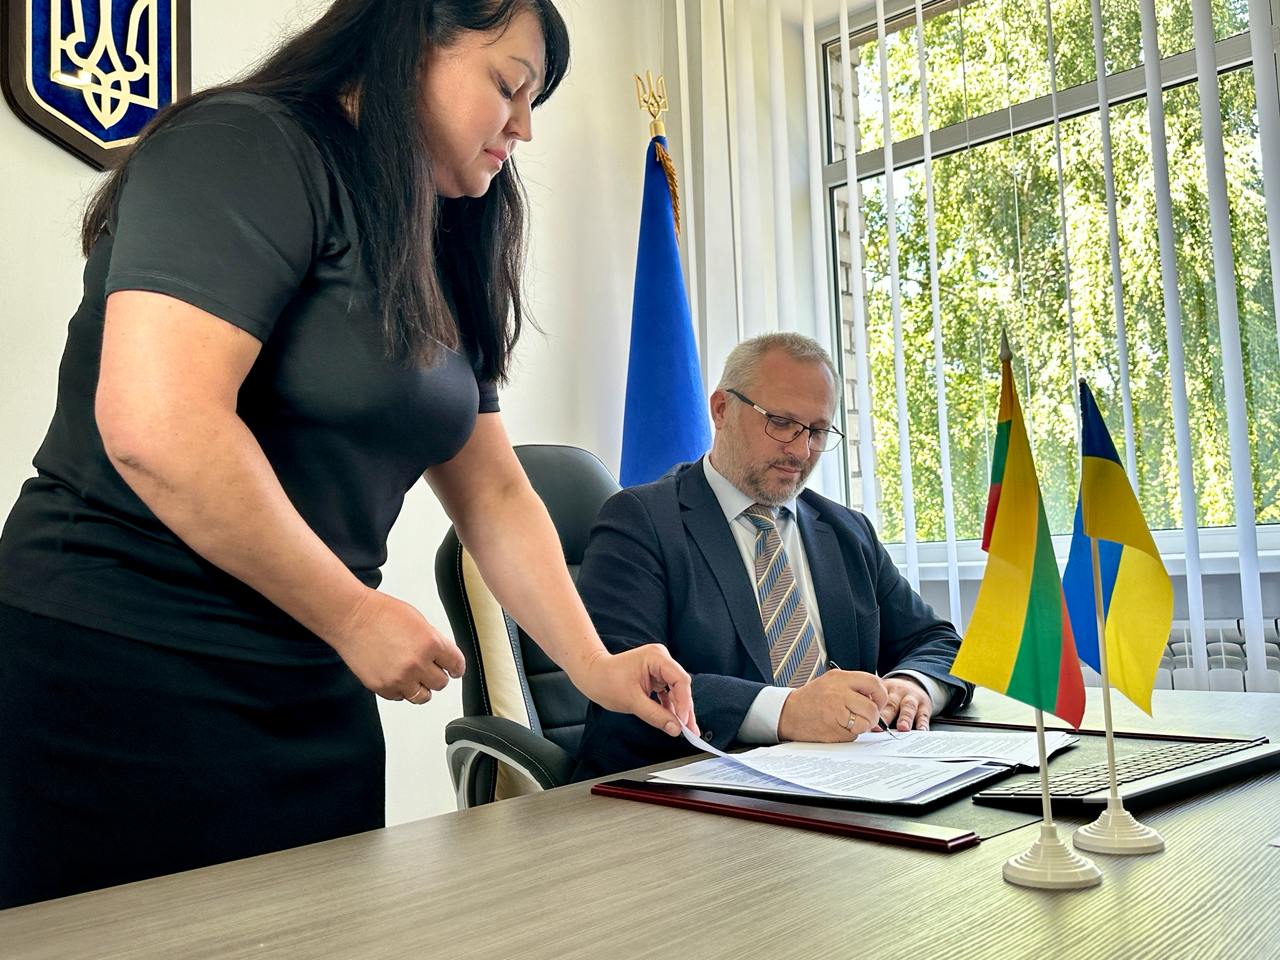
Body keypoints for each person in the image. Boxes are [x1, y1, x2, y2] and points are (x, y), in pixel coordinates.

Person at [0, 0, 696, 909]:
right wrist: (353, 613)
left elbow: (493, 493)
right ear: (413, 41)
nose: (523, 128)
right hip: (115, 673)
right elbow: (158, 425)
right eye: (509, 86)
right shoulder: (242, 144)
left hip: (310, 686)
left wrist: (594, 665)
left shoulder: (439, 234)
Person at [573, 333, 970, 779]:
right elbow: (628, 682)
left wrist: (912, 685)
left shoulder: (846, 531)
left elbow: (938, 642)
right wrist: (787, 710)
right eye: (781, 423)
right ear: (722, 410)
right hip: (681, 786)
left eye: (817, 431)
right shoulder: (640, 521)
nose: (801, 451)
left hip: (843, 782)